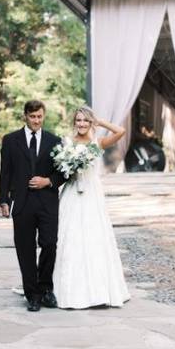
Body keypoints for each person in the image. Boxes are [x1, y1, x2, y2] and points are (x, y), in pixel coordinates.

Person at [53, 106, 131, 309]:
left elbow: (121, 131)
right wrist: (69, 166)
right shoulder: (67, 144)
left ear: (90, 123)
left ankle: (99, 290)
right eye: (78, 120)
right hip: (72, 192)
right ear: (74, 122)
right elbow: (61, 170)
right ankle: (68, 290)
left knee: (93, 237)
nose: (81, 124)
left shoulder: (98, 143)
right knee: (69, 237)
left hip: (92, 194)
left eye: (85, 121)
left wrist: (101, 122)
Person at [0, 100, 66, 312]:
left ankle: (46, 289)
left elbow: (63, 172)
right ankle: (32, 294)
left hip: (47, 201)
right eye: (32, 116)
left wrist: (48, 181)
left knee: (49, 244)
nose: (36, 120)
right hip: (23, 203)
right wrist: (4, 200)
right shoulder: (10, 141)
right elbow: (5, 172)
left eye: (39, 117)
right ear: (25, 116)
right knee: (25, 249)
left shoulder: (55, 141)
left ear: (43, 116)